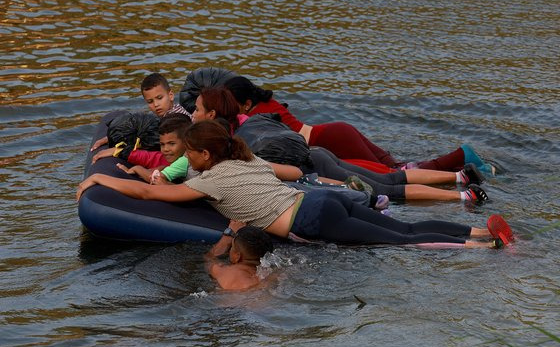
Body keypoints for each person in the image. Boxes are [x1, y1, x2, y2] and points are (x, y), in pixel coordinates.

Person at [76, 119, 513, 248]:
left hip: (312, 216)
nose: (186, 158)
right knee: (407, 229)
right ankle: (480, 231)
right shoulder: (246, 160)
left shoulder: (210, 182)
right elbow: (293, 172)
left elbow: (152, 192)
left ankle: (486, 246)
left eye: (190, 152)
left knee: (404, 241)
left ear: (205, 156)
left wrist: (100, 176)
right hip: (321, 198)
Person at [192, 87, 489, 204]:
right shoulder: (256, 116)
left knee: (390, 182)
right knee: (392, 173)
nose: (192, 114)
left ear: (213, 115)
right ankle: (460, 177)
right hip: (323, 146)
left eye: (196, 109)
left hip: (320, 152)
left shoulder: (225, 139)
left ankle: (462, 188)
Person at [222, 74, 495, 174]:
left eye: (231, 104)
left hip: (330, 140)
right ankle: (470, 168)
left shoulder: (255, 118)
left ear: (245, 104)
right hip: (336, 131)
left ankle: (461, 155)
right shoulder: (268, 104)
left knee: (393, 175)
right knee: (398, 166)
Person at [91, 72, 191, 158]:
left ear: (171, 95)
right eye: (150, 101)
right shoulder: (165, 116)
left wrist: (118, 149)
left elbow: (149, 140)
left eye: (159, 98)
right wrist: (112, 137)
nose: (156, 104)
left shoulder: (176, 119)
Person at [115, 113, 194, 184]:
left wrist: (137, 169)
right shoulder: (185, 156)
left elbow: (155, 179)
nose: (166, 149)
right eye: (162, 144)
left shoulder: (184, 160)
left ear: (186, 142)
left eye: (172, 144)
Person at [204, 222, 274, 290]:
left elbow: (209, 258)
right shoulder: (267, 277)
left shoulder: (224, 271)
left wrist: (228, 236)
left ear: (237, 256)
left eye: (232, 247)